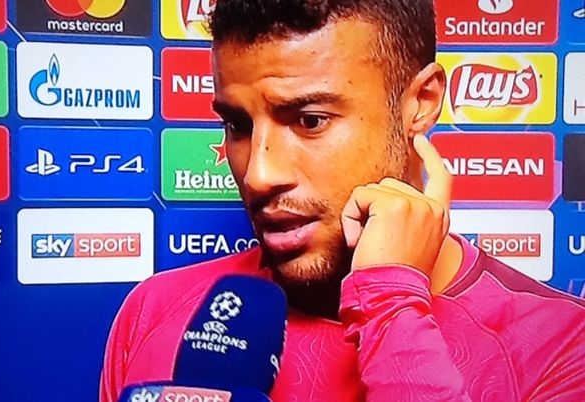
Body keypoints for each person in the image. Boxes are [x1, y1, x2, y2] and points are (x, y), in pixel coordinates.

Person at [100, 0, 585, 400]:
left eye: (309, 120)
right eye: (238, 125)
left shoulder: (560, 347)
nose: (259, 175)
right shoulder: (155, 311)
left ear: (420, 102)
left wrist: (390, 305)